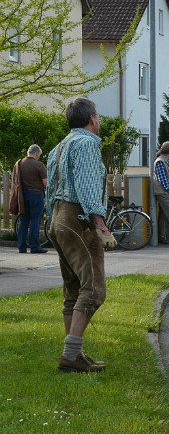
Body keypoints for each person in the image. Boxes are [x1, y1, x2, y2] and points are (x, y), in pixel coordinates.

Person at [44, 98, 118, 373]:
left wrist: (54, 222)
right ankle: (71, 355)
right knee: (93, 289)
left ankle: (74, 354)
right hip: (78, 220)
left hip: (58, 219)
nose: (99, 120)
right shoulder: (87, 143)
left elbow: (50, 191)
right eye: (97, 115)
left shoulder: (58, 147)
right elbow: (86, 187)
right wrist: (101, 224)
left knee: (73, 291)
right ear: (91, 119)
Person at [14, 144, 49, 254]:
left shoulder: (20, 163)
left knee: (24, 221)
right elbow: (45, 183)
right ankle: (34, 247)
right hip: (36, 195)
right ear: (36, 153)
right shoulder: (39, 165)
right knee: (35, 220)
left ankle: (21, 247)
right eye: (39, 155)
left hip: (23, 195)